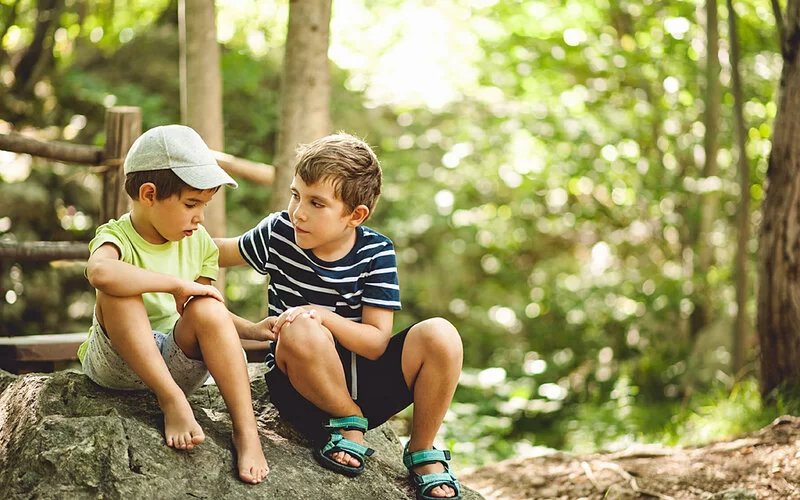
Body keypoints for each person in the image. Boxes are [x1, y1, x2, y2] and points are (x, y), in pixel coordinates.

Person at [215, 133, 463, 499]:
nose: (298, 211)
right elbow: (217, 251)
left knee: (441, 334)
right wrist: (159, 234)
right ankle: (347, 422)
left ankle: (422, 448)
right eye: (295, 194)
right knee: (300, 327)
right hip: (302, 391)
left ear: (355, 215)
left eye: (317, 203)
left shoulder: (376, 252)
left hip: (367, 387)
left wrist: (324, 316)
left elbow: (377, 343)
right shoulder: (279, 233)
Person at [77, 124, 269, 484]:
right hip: (118, 363)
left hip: (178, 363)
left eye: (204, 206)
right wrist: (175, 284)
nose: (200, 217)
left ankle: (246, 430)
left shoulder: (199, 242)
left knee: (206, 304)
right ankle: (171, 401)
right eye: (191, 204)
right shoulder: (116, 236)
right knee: (118, 287)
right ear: (149, 194)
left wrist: (251, 329)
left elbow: (205, 314)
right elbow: (100, 273)